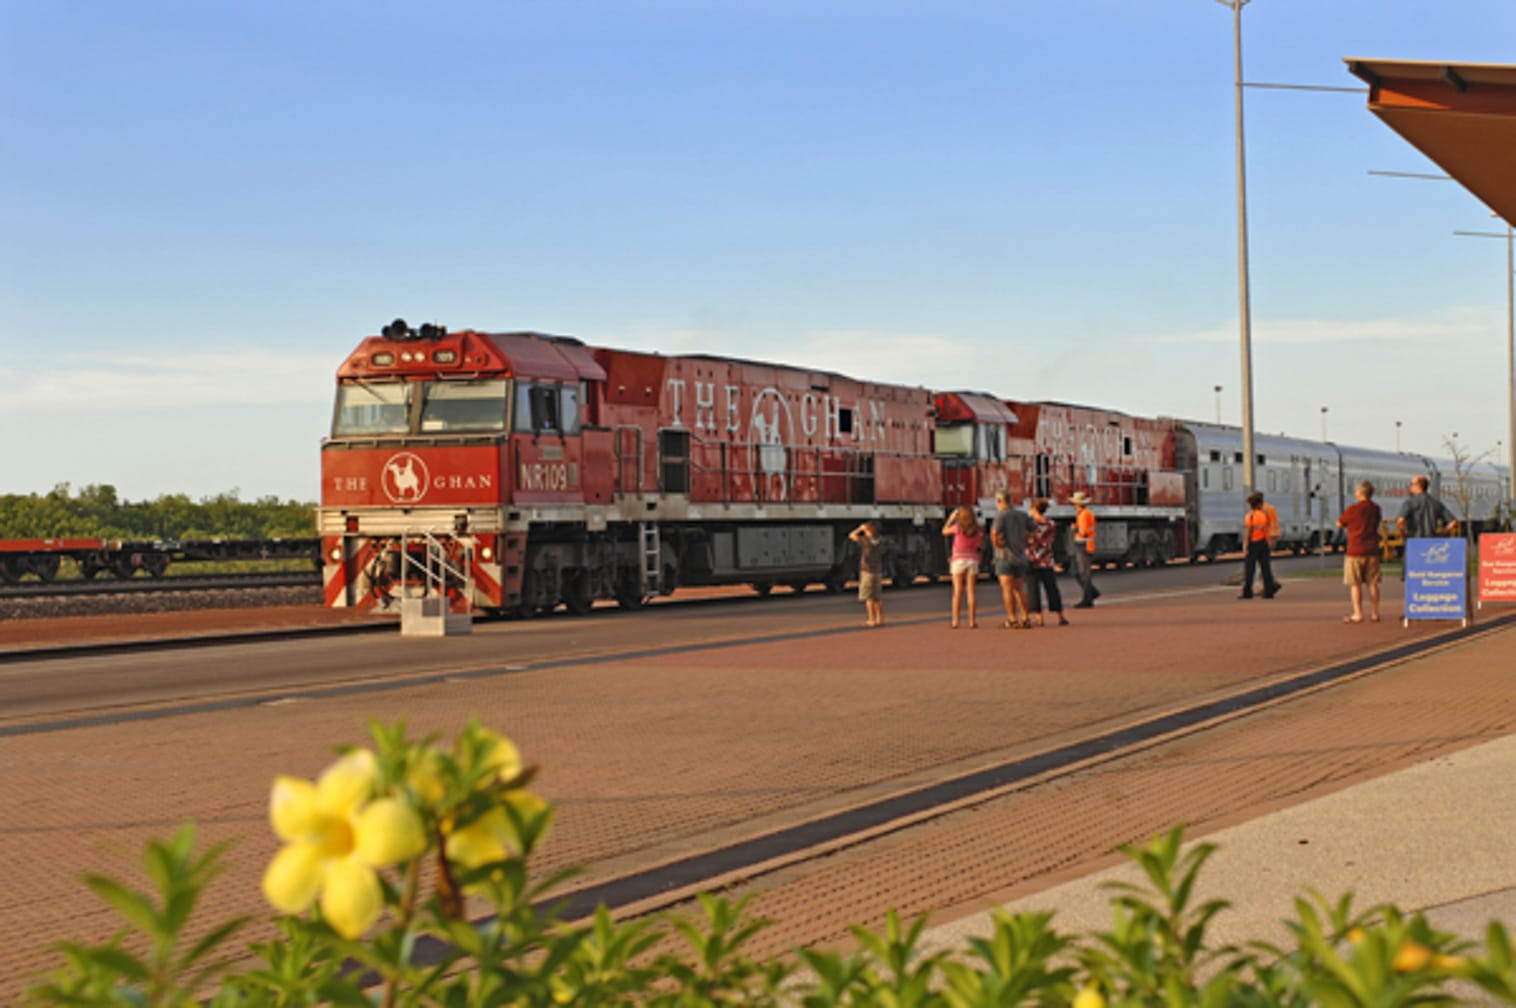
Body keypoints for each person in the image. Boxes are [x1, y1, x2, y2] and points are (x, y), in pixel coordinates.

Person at [1336, 480, 1382, 623]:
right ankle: (1375, 613)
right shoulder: (1376, 509)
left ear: (1360, 493)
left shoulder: (1353, 509)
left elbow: (1340, 523)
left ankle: (1358, 613)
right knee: (1372, 583)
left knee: (1355, 584)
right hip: (1372, 550)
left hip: (1355, 550)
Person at [990, 490, 1031, 628]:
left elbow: (995, 532)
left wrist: (996, 544)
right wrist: (1025, 540)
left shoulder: (1001, 515)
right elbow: (1034, 529)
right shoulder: (1022, 514)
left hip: (1005, 556)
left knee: (1007, 589)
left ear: (1000, 501)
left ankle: (1012, 618)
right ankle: (1025, 617)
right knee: (1020, 589)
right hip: (1019, 556)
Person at [1025, 497, 1069, 626]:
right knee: (1052, 588)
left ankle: (1039, 617)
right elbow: (1049, 540)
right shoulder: (1051, 524)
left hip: (1032, 559)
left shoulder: (1030, 524)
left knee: (1033, 589)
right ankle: (1060, 616)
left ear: (1033, 509)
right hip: (1047, 559)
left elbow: (1028, 540)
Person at [941, 506, 983, 628]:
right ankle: (972, 621)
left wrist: (951, 518)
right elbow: (979, 543)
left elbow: (944, 531)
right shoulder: (978, 529)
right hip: (972, 559)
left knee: (957, 591)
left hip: (958, 560)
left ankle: (955, 621)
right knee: (971, 591)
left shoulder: (957, 528)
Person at [1239, 491, 1281, 599]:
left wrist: (1245, 545)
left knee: (1250, 569)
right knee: (1266, 568)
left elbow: (1248, 532)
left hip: (1253, 543)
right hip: (1264, 543)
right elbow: (1268, 527)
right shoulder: (1265, 514)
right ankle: (1269, 591)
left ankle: (1247, 592)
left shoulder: (1250, 516)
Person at [1397, 474, 1458, 541]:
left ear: (1418, 485)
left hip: (1414, 541)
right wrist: (1442, 533)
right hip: (1431, 541)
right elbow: (1453, 521)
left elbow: (1401, 521)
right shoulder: (1435, 503)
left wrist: (1403, 535)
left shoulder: (1409, 503)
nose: (1410, 486)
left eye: (1411, 484)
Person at [849, 520, 885, 628]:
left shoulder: (865, 541)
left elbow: (851, 535)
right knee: (877, 598)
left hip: (867, 571)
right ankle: (880, 619)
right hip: (877, 572)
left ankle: (871, 619)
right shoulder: (881, 542)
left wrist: (860, 528)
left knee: (869, 598)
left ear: (869, 531)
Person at [1070, 491, 1100, 608]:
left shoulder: (1084, 515)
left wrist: (1075, 529)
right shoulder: (1083, 513)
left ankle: (1088, 598)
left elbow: (1084, 532)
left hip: (1084, 545)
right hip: (1083, 544)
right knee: (1078, 571)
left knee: (1083, 573)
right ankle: (1092, 592)